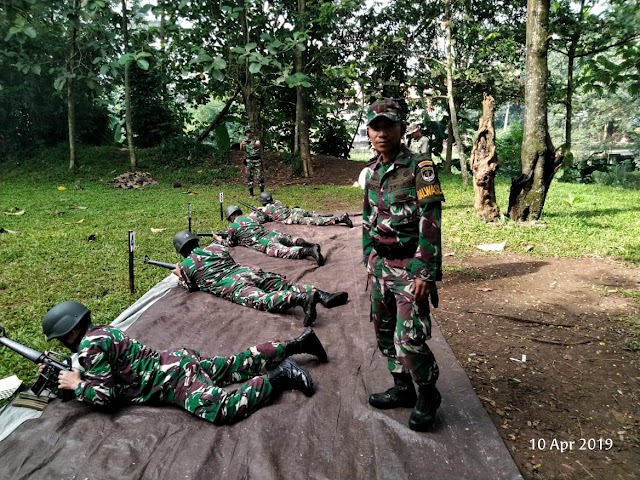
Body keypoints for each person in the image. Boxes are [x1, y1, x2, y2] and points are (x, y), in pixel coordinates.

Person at [40, 300, 328, 425]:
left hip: (171, 380)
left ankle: (281, 376)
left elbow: (106, 397)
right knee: (236, 365)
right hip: (177, 359)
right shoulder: (102, 331)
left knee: (222, 409)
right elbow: (103, 363)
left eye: (62, 337)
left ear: (72, 331)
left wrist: (78, 386)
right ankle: (298, 343)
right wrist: (71, 372)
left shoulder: (88, 348)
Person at [361, 98, 446, 432]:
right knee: (383, 333)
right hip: (381, 267)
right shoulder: (372, 171)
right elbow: (368, 218)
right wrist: (368, 256)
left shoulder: (420, 167)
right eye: (375, 126)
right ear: (369, 130)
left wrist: (425, 269)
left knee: (408, 339)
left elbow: (432, 218)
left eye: (388, 126)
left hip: (410, 268)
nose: (381, 133)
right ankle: (403, 388)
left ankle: (428, 395)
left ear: (401, 128)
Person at [172, 230, 348, 327]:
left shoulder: (187, 266)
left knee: (262, 300)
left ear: (181, 250)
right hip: (249, 271)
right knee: (284, 284)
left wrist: (179, 274)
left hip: (233, 285)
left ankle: (301, 300)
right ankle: (323, 295)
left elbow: (190, 286)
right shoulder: (216, 248)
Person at [219, 205, 325, 267]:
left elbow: (231, 243)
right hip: (271, 233)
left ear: (231, 217)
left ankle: (310, 251)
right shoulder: (251, 218)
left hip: (264, 242)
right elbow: (262, 218)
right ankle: (306, 244)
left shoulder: (232, 227)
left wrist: (219, 239)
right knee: (290, 239)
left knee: (283, 251)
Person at [258, 192, 353, 228]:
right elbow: (272, 207)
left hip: (293, 217)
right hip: (294, 211)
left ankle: (340, 219)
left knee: (314, 221)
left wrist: (261, 210)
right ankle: (323, 215)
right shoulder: (277, 202)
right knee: (310, 213)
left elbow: (263, 218)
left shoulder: (266, 210)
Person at [240, 127, 264, 198]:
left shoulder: (256, 139)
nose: (248, 134)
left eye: (249, 132)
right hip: (249, 161)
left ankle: (262, 192)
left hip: (257, 161)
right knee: (249, 177)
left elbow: (259, 145)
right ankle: (251, 193)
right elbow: (241, 149)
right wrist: (242, 144)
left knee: (259, 176)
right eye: (247, 133)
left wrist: (254, 144)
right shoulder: (244, 140)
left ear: (252, 133)